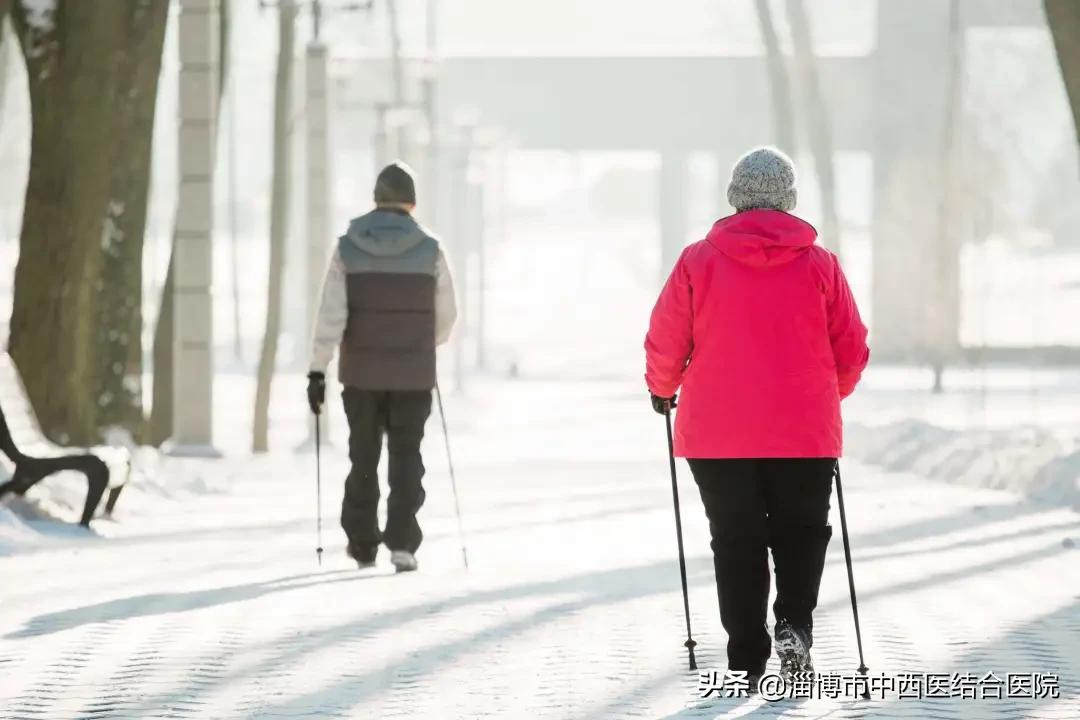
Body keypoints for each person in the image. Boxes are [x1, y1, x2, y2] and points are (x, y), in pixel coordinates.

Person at [644, 147, 869, 688]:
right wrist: (821, 398)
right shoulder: (819, 264)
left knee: (736, 538)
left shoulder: (697, 260)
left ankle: (746, 653)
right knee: (802, 533)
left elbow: (667, 337)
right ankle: (794, 626)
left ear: (734, 197)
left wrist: (662, 390)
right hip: (804, 431)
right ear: (790, 198)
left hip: (717, 433)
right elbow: (852, 348)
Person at [307, 161, 457, 573]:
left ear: (376, 199)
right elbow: (447, 315)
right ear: (411, 202)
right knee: (407, 456)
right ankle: (403, 543)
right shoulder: (431, 250)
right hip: (413, 376)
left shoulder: (347, 247)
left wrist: (318, 369)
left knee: (364, 456)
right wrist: (423, 345)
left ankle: (362, 543)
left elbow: (331, 314)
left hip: (361, 375)